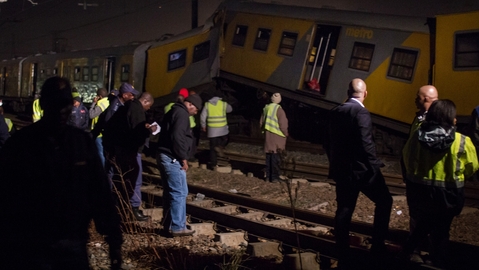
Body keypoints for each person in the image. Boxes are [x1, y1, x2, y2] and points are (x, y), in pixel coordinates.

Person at [0, 76, 122, 269]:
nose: (61, 110)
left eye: (64, 104)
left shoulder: (79, 142)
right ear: (44, 105)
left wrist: (113, 236)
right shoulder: (22, 145)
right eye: (56, 104)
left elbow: (99, 191)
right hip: (33, 243)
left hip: (68, 239)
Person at [324, 78, 392, 270]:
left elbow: (327, 142)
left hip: (342, 171)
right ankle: (378, 245)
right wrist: (374, 165)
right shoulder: (360, 112)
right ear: (365, 93)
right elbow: (365, 142)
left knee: (344, 209)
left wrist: (335, 162)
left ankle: (342, 251)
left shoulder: (336, 111)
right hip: (362, 171)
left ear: (348, 91)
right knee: (385, 201)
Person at [401, 99, 478, 268]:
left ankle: (410, 253)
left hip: (420, 193)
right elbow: (472, 167)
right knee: (442, 229)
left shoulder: (417, 136)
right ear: (452, 118)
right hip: (449, 196)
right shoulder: (462, 141)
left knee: (421, 224)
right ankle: (435, 260)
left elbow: (407, 159)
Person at [103, 92, 157, 221]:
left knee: (121, 179)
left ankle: (120, 208)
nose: (148, 109)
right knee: (134, 179)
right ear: (145, 102)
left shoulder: (127, 107)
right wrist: (149, 130)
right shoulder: (136, 109)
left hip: (118, 148)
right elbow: (136, 132)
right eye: (149, 106)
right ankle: (132, 209)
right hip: (129, 149)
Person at [157, 94, 202, 236]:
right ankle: (178, 226)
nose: (196, 112)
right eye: (196, 109)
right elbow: (177, 137)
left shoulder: (173, 110)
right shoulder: (182, 114)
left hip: (164, 155)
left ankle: (168, 224)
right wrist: (183, 157)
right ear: (190, 105)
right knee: (179, 192)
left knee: (169, 192)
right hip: (173, 158)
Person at [259, 92, 288, 182]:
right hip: (278, 136)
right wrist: (285, 133)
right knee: (276, 157)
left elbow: (261, 123)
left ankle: (268, 176)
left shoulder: (266, 108)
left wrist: (264, 132)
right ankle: (275, 177)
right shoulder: (279, 110)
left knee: (269, 156)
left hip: (268, 136)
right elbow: (283, 124)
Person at [200, 92, 232, 168]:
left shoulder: (207, 104)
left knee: (212, 147)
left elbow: (202, 116)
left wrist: (203, 125)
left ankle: (214, 164)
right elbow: (230, 110)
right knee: (226, 139)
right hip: (222, 129)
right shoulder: (223, 104)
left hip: (212, 130)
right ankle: (220, 146)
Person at [165, 88, 198, 161]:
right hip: (186, 127)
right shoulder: (182, 111)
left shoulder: (170, 106)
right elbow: (178, 135)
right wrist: (183, 157)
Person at [90, 88, 110, 166]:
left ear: (100, 96)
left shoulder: (100, 104)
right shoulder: (108, 102)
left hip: (98, 133)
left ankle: (101, 170)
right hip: (105, 131)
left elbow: (91, 115)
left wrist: (93, 103)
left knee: (100, 153)